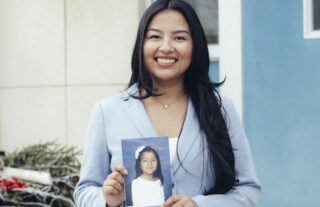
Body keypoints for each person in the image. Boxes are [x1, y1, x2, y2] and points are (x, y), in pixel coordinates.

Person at [73, 0, 261, 207]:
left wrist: (200, 205)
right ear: (141, 45)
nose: (166, 47)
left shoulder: (220, 109)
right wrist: (106, 200)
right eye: (155, 36)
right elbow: (84, 190)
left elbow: (247, 188)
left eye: (179, 38)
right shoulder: (108, 111)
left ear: (195, 45)